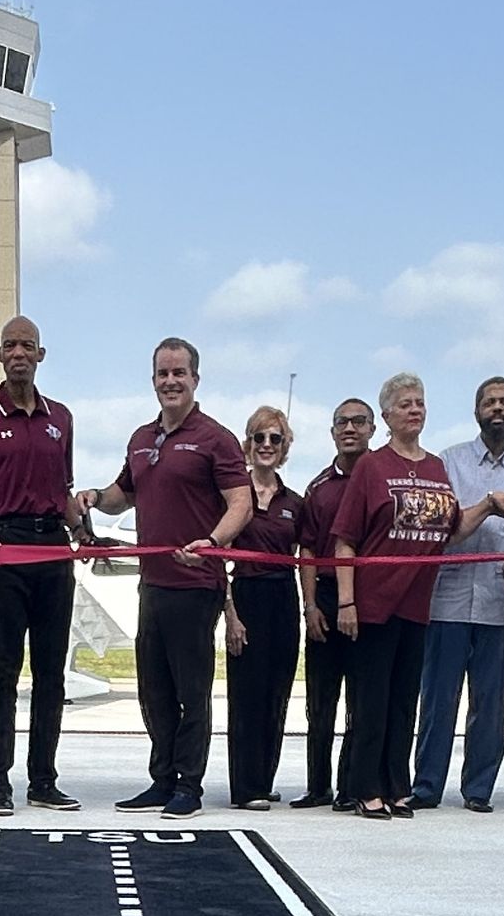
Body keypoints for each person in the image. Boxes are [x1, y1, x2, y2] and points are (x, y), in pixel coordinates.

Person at [330, 372, 504, 820]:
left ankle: (397, 784)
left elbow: (451, 530)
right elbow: (344, 540)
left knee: (403, 702)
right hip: (374, 604)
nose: (414, 410)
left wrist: (489, 504)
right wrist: (346, 601)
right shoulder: (373, 467)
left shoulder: (436, 468)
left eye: (420, 402)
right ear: (387, 416)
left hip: (418, 606)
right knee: (372, 702)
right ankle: (365, 787)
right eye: (405, 404)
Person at [76, 338, 251, 821]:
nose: (170, 381)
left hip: (197, 586)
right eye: (162, 373)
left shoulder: (216, 438)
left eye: (179, 373)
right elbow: (122, 494)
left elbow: (242, 502)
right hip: (152, 585)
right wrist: (92, 495)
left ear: (196, 379)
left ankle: (188, 786)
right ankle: (162, 779)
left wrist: (212, 543)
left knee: (191, 692)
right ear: (152, 379)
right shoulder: (140, 437)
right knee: (152, 690)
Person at [0, 316, 82, 817]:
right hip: (5, 549)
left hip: (52, 549)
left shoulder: (61, 418)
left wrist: (84, 531)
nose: (19, 353)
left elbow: (65, 494)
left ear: (40, 355)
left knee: (51, 671)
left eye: (28, 345)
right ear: (0, 355)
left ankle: (43, 780)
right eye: (11, 346)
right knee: (2, 669)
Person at [410, 377, 504, 813]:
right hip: (446, 599)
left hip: (497, 605)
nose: (498, 408)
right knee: (437, 701)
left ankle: (479, 789)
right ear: (476, 411)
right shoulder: (447, 463)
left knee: (490, 706)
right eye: (490, 402)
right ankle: (427, 786)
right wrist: (486, 503)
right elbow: (439, 531)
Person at [290, 397, 374, 812]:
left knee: (361, 702)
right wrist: (310, 607)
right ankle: (318, 786)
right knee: (320, 703)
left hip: (368, 600)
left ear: (372, 429)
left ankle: (350, 787)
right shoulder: (318, 489)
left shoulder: (381, 479)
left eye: (359, 421)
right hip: (324, 596)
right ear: (332, 431)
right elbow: (306, 549)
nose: (350, 428)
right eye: (342, 422)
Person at [224, 405, 304, 811]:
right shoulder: (235, 497)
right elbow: (220, 557)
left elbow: (305, 554)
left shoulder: (295, 501)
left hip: (283, 597)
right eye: (260, 438)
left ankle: (264, 777)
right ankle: (245, 786)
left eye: (275, 438)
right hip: (247, 594)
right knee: (248, 694)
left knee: (277, 692)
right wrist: (231, 615)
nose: (267, 445)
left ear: (285, 446)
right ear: (248, 444)